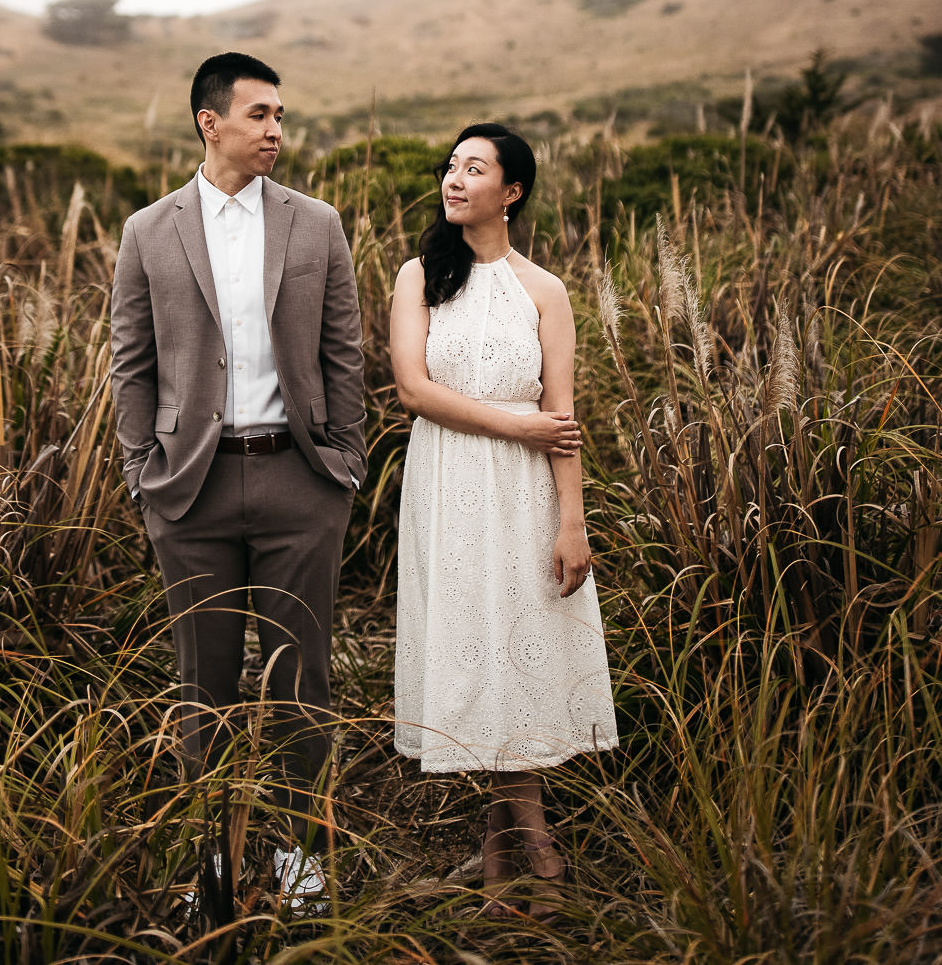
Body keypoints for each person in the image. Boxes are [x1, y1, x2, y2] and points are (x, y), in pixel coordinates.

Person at [109, 53, 367, 911]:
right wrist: (143, 474)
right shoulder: (148, 230)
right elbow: (131, 363)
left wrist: (345, 465)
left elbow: (343, 351)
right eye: (260, 114)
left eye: (281, 115)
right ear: (209, 122)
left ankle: (301, 867)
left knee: (302, 684)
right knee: (204, 687)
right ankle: (211, 870)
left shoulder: (316, 223)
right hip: (190, 492)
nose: (276, 130)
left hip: (301, 484)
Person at [390, 123, 617, 915]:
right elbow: (413, 390)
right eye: (451, 165)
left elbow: (563, 417)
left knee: (515, 656)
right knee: (476, 651)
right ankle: (540, 851)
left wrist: (572, 522)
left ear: (511, 191)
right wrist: (518, 425)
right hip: (447, 483)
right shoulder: (420, 275)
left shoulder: (545, 290)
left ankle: (498, 855)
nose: (454, 179)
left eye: (474, 168)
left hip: (524, 495)